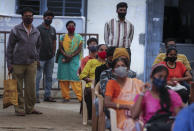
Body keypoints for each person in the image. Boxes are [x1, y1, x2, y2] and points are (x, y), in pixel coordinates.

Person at [6, 7, 42, 116]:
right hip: (17, 63)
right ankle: (19, 109)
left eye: (30, 16)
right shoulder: (15, 30)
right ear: (22, 17)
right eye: (26, 16)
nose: (29, 18)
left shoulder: (36, 31)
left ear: (33, 18)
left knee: (31, 88)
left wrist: (36, 58)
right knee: (17, 88)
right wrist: (9, 63)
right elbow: (10, 48)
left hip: (31, 63)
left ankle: (30, 108)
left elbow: (38, 47)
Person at [104, 57, 144, 131]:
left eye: (123, 66)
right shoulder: (111, 84)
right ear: (113, 71)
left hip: (138, 115)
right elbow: (106, 103)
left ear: (127, 69)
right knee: (133, 126)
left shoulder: (136, 83)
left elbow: (145, 95)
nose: (121, 68)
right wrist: (126, 106)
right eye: (118, 66)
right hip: (121, 117)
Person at [79, 44, 107, 120]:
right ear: (97, 52)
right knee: (89, 92)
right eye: (101, 50)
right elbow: (82, 75)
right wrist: (91, 80)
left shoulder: (108, 64)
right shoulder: (91, 62)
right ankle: (92, 116)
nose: (103, 52)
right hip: (91, 85)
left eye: (106, 50)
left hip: (105, 86)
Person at [57, 20, 83, 102]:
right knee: (63, 79)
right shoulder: (63, 37)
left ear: (75, 27)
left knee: (75, 78)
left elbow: (79, 49)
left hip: (74, 60)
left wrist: (71, 56)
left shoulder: (79, 37)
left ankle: (80, 98)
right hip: (63, 59)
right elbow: (60, 48)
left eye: (73, 26)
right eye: (69, 26)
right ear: (66, 27)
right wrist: (66, 55)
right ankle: (66, 97)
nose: (71, 27)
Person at [36, 10, 56, 103]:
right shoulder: (38, 29)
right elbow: (34, 43)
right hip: (40, 57)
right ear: (44, 18)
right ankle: (35, 96)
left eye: (51, 18)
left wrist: (54, 52)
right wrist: (36, 57)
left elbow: (54, 41)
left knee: (49, 77)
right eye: (48, 18)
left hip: (50, 57)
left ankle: (47, 96)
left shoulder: (53, 29)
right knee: (37, 77)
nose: (49, 19)